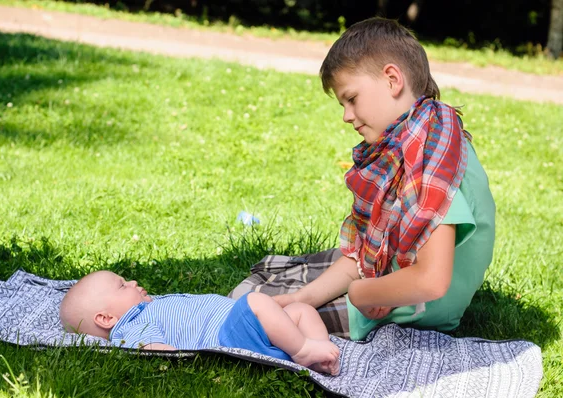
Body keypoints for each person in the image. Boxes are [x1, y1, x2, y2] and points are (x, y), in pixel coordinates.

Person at [274, 17, 496, 340]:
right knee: (288, 289)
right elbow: (366, 255)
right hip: (394, 289)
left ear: (392, 80)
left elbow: (432, 280)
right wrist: (303, 297)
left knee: (268, 316)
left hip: (413, 311)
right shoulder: (412, 139)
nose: (346, 116)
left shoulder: (430, 157)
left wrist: (362, 294)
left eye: (351, 99)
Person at [59, 270, 340, 375]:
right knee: (256, 301)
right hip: (230, 335)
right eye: (122, 286)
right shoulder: (132, 324)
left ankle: (320, 353)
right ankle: (303, 350)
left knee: (301, 308)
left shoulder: (149, 305)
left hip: (254, 328)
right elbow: (149, 347)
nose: (132, 282)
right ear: (106, 319)